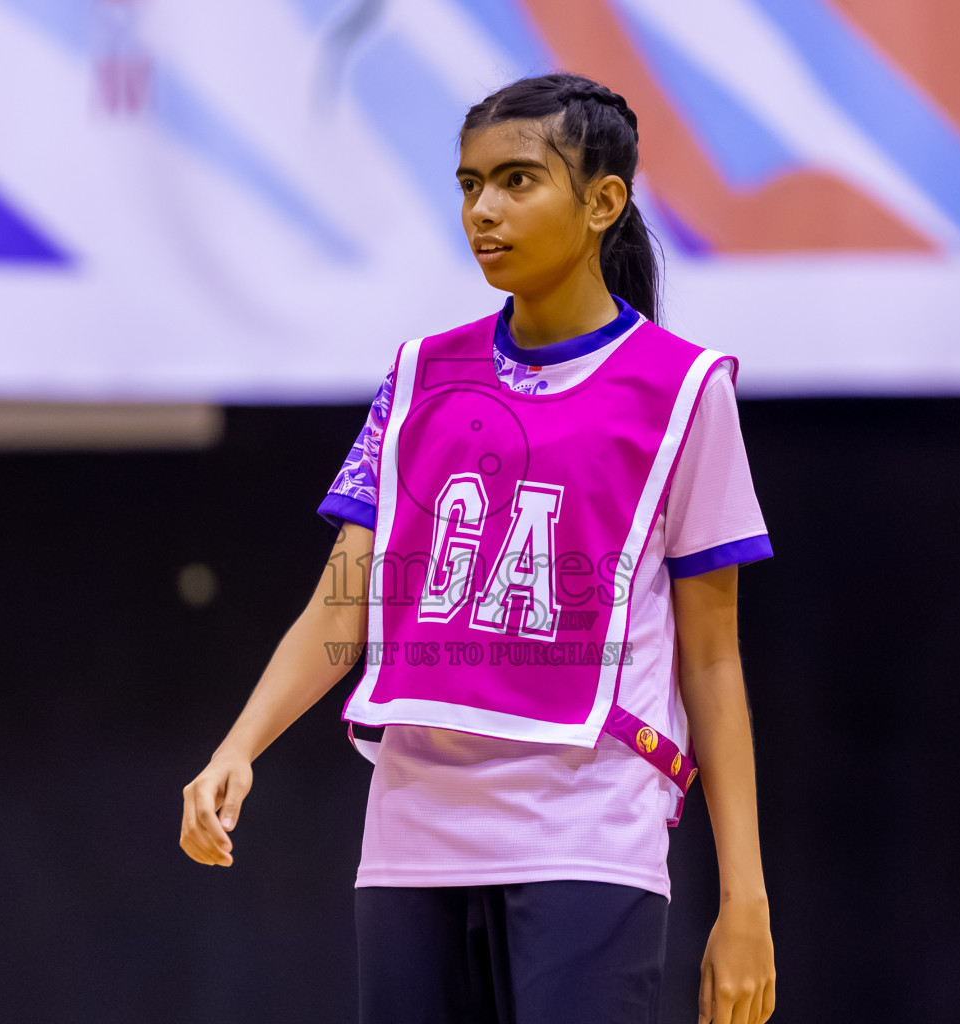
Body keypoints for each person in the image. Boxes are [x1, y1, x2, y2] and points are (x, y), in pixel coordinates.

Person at [180, 72, 776, 1024]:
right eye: (467, 184)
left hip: (587, 828)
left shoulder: (685, 391)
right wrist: (239, 745)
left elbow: (712, 656)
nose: (482, 210)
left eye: (515, 181)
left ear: (602, 203)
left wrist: (745, 900)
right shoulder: (420, 375)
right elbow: (346, 598)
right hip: (415, 830)